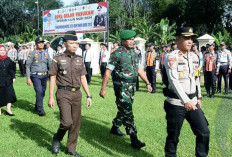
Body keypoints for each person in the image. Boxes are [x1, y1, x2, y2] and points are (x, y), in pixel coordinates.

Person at [99, 30, 152, 149]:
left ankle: (114, 127)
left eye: (133, 39)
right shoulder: (116, 54)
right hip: (121, 86)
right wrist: (103, 89)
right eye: (130, 39)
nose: (132, 41)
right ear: (123, 41)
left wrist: (147, 83)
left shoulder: (134, 53)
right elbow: (108, 72)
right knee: (128, 111)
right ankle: (134, 138)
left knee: (124, 109)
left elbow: (139, 70)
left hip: (132, 86)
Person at [163, 27, 210, 156]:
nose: (190, 41)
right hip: (176, 103)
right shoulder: (171, 57)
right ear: (177, 39)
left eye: (191, 38)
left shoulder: (194, 56)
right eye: (186, 38)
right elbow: (174, 81)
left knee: (204, 132)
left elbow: (196, 78)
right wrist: (186, 100)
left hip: (193, 102)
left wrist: (198, 96)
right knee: (173, 136)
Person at [48, 31, 92, 157]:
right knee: (67, 122)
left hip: (77, 94)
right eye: (72, 43)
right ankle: (57, 138)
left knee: (76, 124)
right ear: (65, 43)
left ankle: (71, 149)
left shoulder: (79, 59)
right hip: (63, 93)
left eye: (76, 43)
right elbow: (52, 77)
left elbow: (83, 77)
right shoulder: (58, 58)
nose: (75, 45)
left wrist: (89, 95)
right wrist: (51, 97)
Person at [26, 37, 52, 116]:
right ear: (36, 44)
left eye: (42, 42)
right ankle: (40, 109)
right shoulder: (32, 54)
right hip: (35, 75)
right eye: (39, 43)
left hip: (44, 76)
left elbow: (50, 64)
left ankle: (37, 105)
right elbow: (27, 66)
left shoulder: (46, 53)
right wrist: (28, 78)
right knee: (39, 91)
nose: (41, 44)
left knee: (42, 92)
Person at [0, 45, 17, 116]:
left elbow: (12, 70)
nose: (2, 51)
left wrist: (13, 77)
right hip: (0, 80)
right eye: (1, 50)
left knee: (9, 94)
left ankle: (8, 110)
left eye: (3, 50)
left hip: (8, 80)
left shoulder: (9, 60)